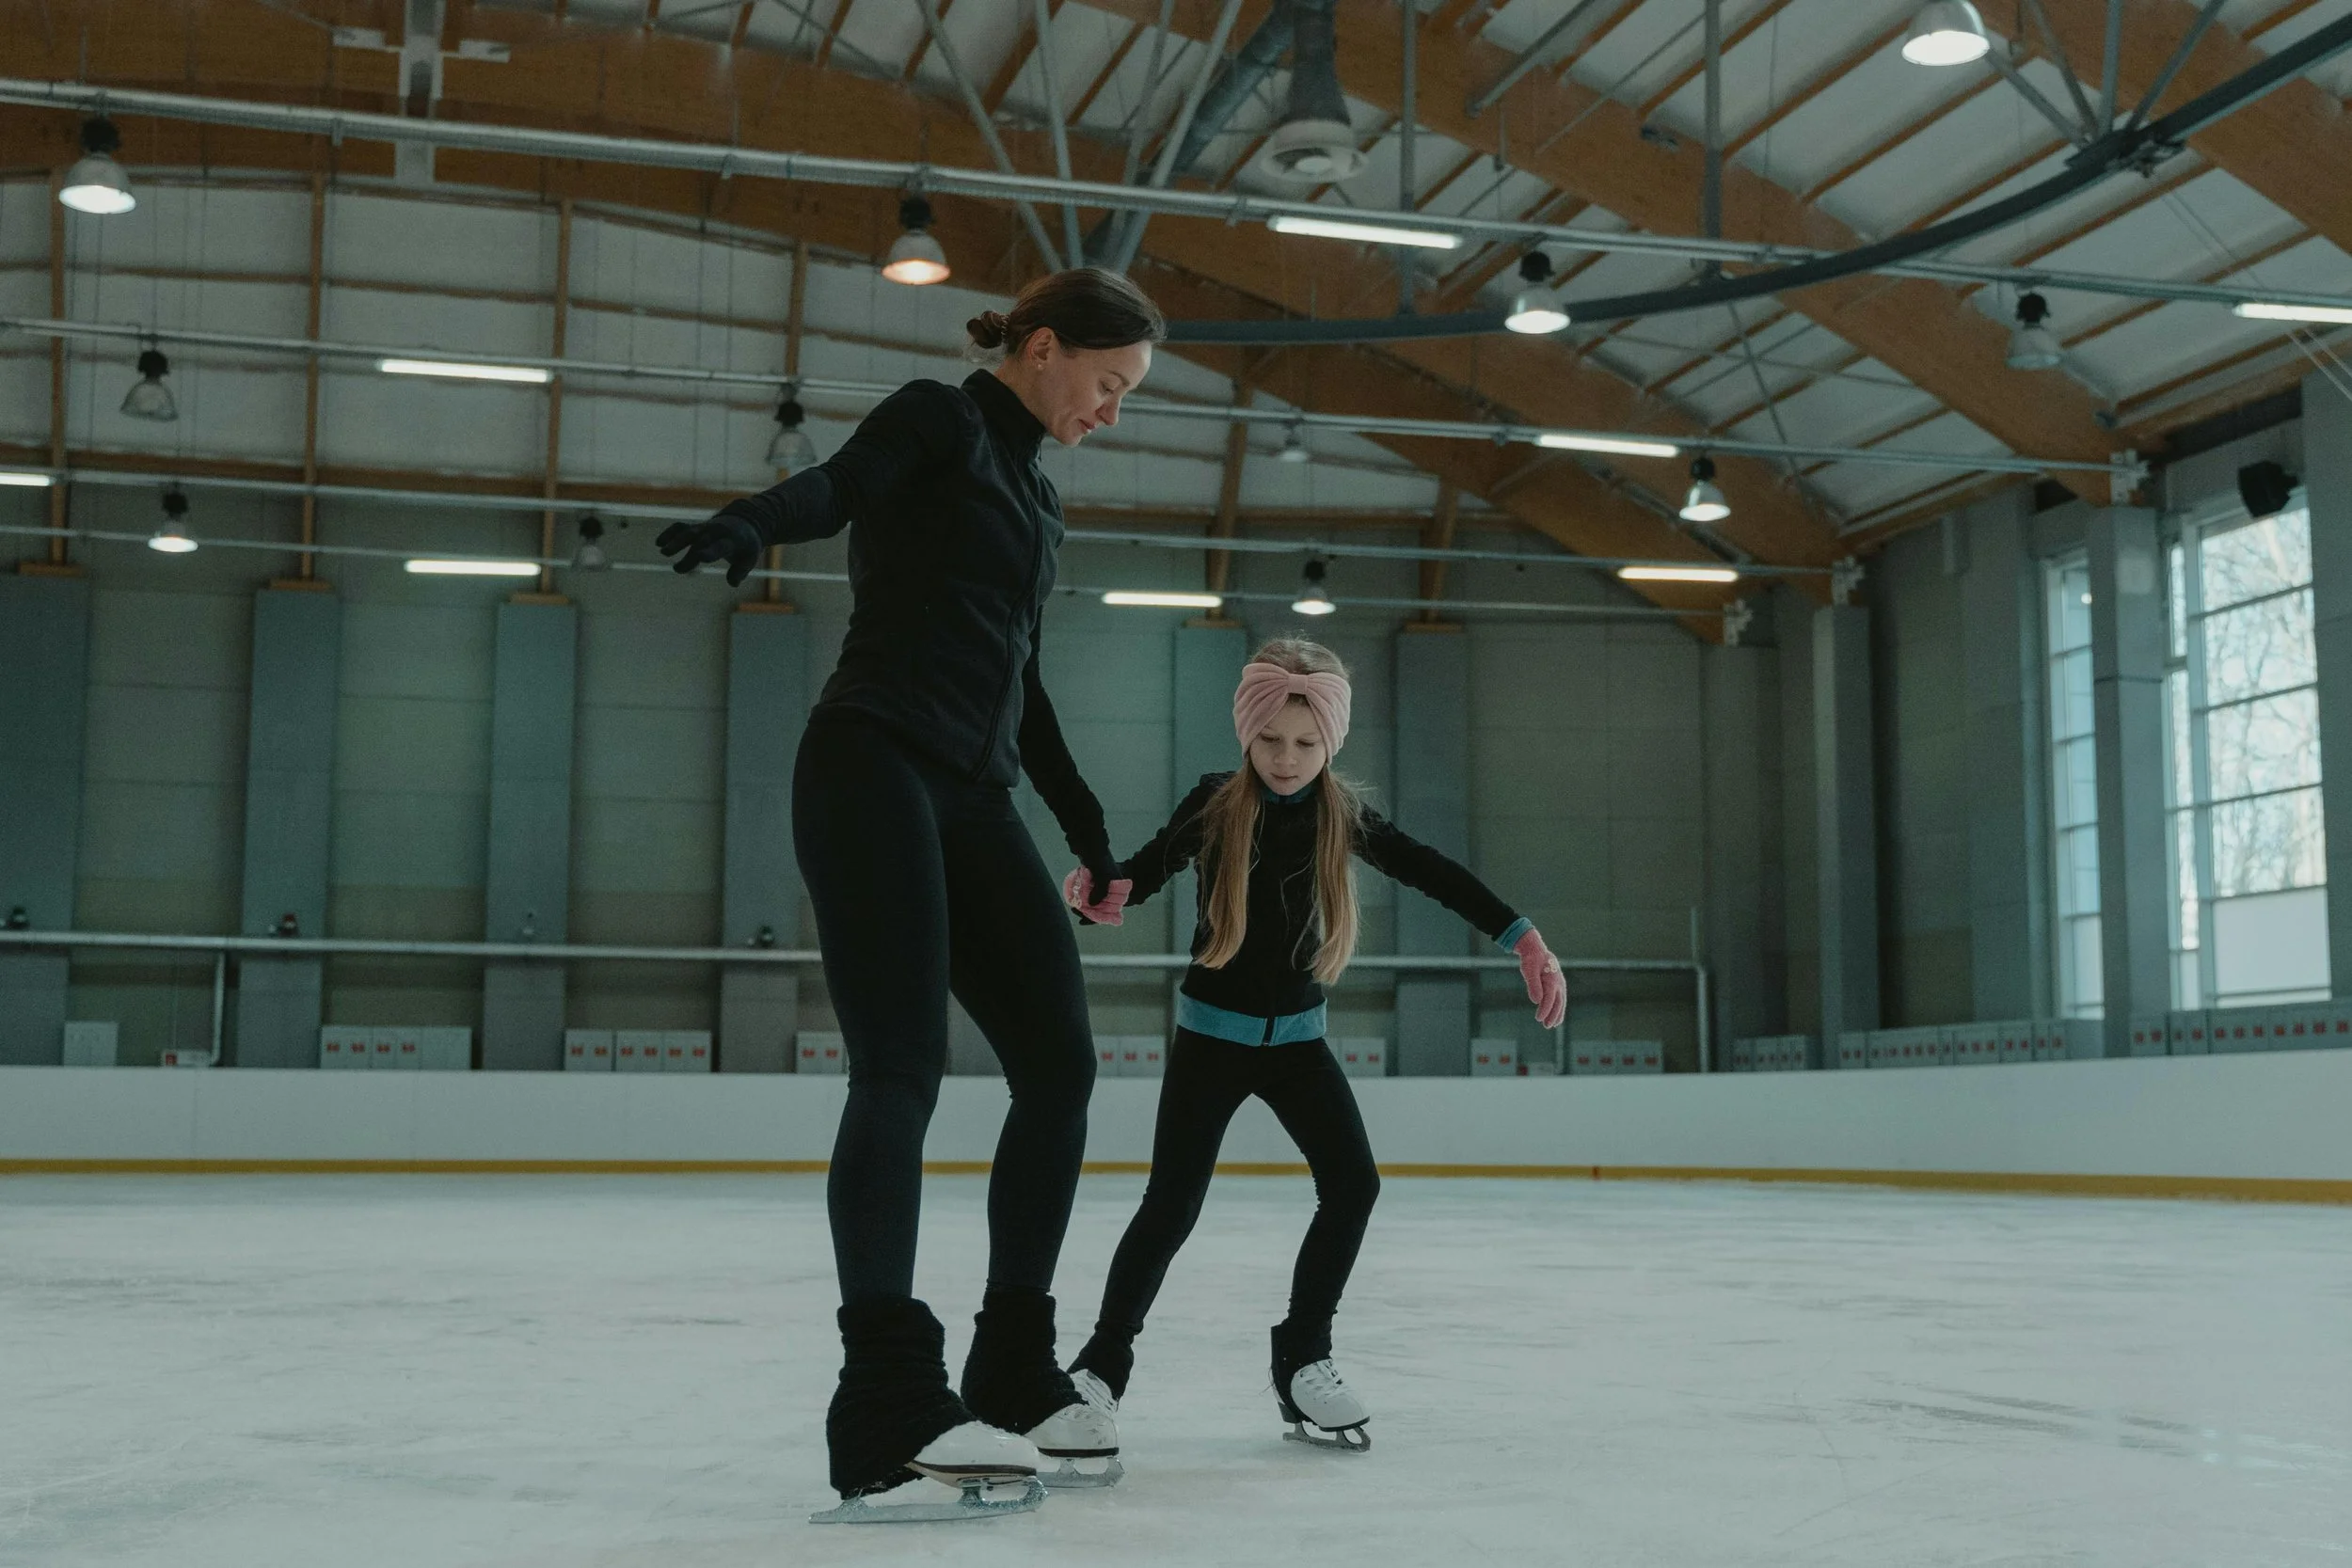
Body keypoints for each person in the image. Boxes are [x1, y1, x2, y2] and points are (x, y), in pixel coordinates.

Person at [657, 268, 1165, 1523]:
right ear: (1043, 349)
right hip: (872, 759)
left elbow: (1020, 678)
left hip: (978, 794)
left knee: (1059, 1067)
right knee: (902, 1071)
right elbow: (837, 489)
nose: (1112, 410)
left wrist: (1090, 825)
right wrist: (748, 521)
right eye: (1107, 384)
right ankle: (886, 1393)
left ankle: (1010, 1356)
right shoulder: (938, 420)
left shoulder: (1038, 502)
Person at [1059, 639, 1567, 1453]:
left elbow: (1432, 870)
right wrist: (1094, 895)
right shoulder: (1215, 802)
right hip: (1211, 1040)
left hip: (1299, 1043)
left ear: (1330, 743)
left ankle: (1304, 1355)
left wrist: (1523, 936)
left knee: (1354, 1184)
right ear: (1245, 734)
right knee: (1171, 1204)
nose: (1286, 760)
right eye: (1270, 741)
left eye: (1305, 744)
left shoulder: (1343, 815)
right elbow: (1141, 874)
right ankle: (1098, 1369)